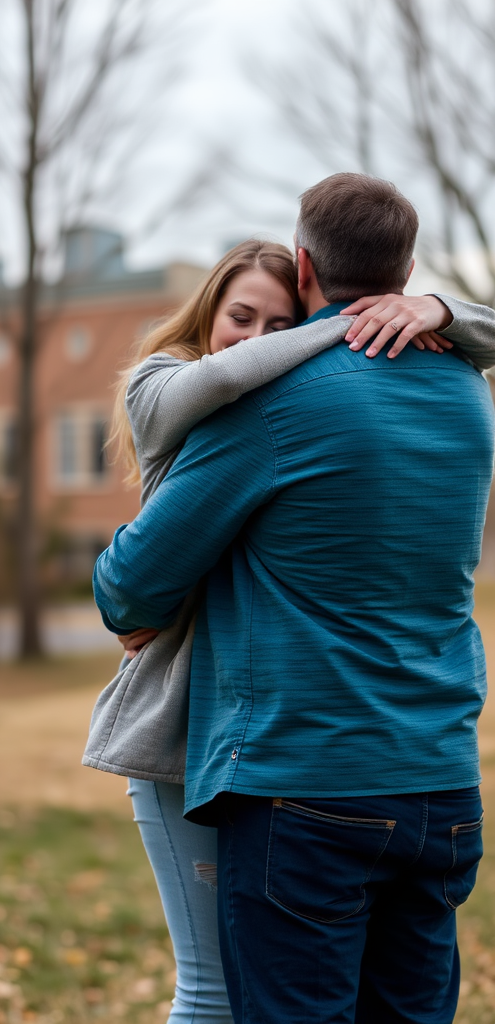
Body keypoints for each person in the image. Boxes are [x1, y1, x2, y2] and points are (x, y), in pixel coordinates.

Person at [92, 174, 495, 1024]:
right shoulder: (467, 391)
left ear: (304, 265)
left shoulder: (271, 404)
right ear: (409, 270)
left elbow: (132, 585)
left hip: (306, 791)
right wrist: (445, 315)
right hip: (441, 786)